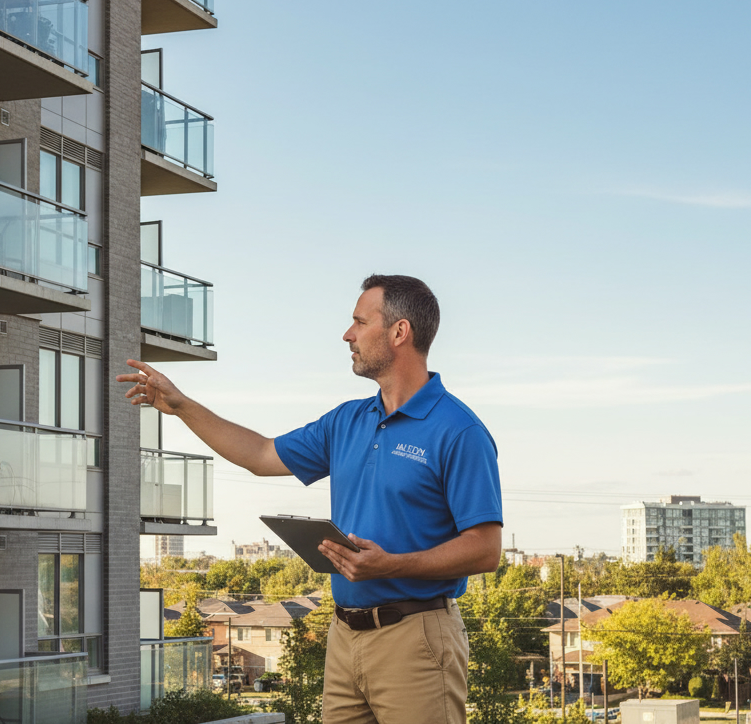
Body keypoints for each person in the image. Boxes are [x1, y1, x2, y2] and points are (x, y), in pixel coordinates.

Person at [117, 274, 503, 724]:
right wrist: (181, 405)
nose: (348, 334)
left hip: (416, 638)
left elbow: (486, 547)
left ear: (399, 332)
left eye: (359, 322)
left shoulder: (458, 430)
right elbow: (261, 454)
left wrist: (393, 564)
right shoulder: (348, 421)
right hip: (343, 636)